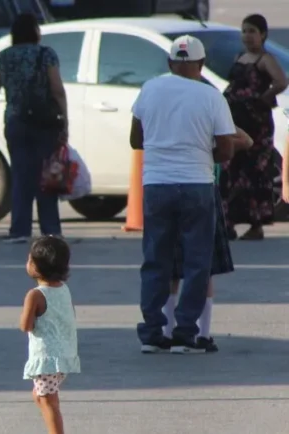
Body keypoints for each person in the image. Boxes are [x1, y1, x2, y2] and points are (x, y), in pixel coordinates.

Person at [130, 35, 252, 354]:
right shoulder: (210, 97)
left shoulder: (150, 89)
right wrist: (198, 153)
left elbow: (136, 139)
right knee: (197, 262)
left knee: (155, 259)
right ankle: (186, 333)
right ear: (200, 65)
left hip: (156, 184)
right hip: (197, 185)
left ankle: (152, 333)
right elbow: (225, 150)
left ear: (171, 63)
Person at [0, 13, 67, 243]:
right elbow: (57, 89)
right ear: (36, 32)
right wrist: (65, 121)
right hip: (44, 123)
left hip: (16, 122)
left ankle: (20, 229)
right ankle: (50, 230)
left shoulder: (5, 57)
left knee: (21, 175)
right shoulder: (46, 55)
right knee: (47, 176)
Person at [164, 130, 253, 353]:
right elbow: (247, 140)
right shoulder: (210, 120)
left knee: (172, 267)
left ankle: (165, 333)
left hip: (168, 184)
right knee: (204, 266)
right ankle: (201, 334)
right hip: (203, 187)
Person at [220, 14, 289, 241]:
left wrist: (263, 98)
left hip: (256, 124)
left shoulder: (265, 59)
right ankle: (228, 222)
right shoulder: (240, 57)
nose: (247, 36)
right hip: (235, 120)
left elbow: (281, 81)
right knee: (231, 170)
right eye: (244, 31)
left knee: (254, 173)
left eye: (252, 31)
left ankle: (256, 225)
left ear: (263, 34)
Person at [20, 236, 80, 434]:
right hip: (64, 354)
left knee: (48, 401)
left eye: (30, 260)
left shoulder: (35, 295)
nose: (27, 263)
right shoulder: (63, 289)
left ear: (38, 267)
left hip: (46, 358)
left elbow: (26, 326)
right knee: (41, 396)